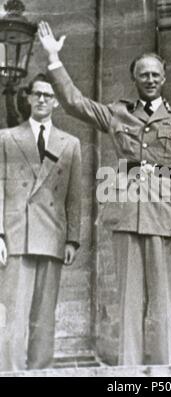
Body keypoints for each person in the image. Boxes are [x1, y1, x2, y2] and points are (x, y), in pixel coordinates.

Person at [38, 21, 171, 365]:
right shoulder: (117, 113)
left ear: (164, 76)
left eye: (156, 74)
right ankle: (128, 374)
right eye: (143, 74)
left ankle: (164, 377)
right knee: (129, 301)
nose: (150, 79)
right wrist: (54, 58)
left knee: (163, 301)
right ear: (135, 79)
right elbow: (73, 103)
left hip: (167, 216)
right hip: (127, 211)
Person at [0, 73, 82, 371]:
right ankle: (8, 372)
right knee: (13, 316)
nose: (42, 99)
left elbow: (74, 196)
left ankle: (40, 371)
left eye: (48, 95)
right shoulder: (6, 138)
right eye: (37, 94)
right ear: (29, 97)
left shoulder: (70, 143)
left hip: (52, 235)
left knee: (44, 317)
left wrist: (73, 238)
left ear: (57, 101)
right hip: (16, 235)